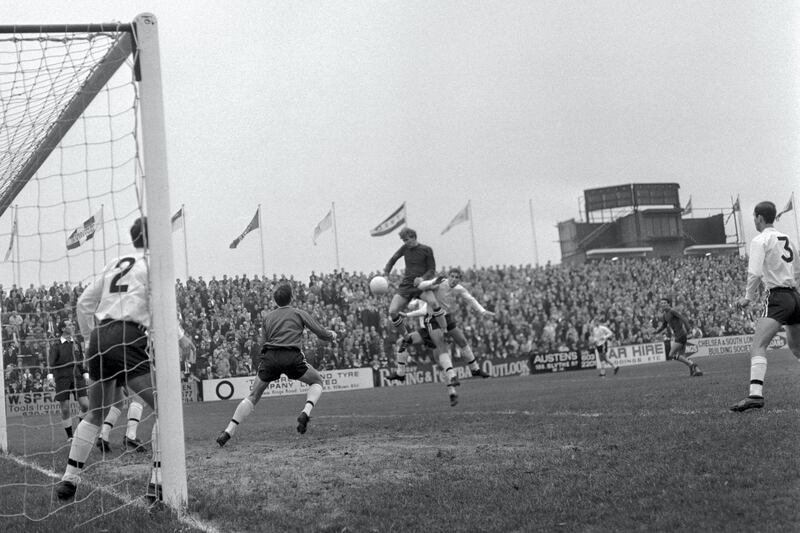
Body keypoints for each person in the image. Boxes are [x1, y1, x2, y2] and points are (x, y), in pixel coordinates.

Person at [56, 217, 163, 503]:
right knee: (165, 409)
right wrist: (177, 337)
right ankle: (157, 483)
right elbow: (160, 303)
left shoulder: (116, 262)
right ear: (155, 236)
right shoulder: (152, 264)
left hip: (100, 338)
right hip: (128, 336)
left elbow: (83, 304)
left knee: (96, 412)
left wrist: (91, 339)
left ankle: (69, 478)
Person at [216, 282, 336, 447]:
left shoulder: (267, 317)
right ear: (291, 297)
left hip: (271, 357)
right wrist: (332, 335)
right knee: (317, 381)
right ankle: (305, 413)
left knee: (253, 396)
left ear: (275, 300)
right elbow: (320, 332)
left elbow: (263, 342)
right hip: (291, 356)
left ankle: (229, 431)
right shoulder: (298, 313)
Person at [731, 201, 800, 412]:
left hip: (778, 296)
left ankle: (755, 395)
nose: (754, 221)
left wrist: (747, 297)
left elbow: (755, 273)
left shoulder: (760, 239)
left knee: (758, 346)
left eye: (754, 217)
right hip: (795, 296)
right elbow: (797, 269)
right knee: (797, 349)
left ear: (760, 217)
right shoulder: (787, 237)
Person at [389, 268, 493, 383]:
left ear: (459, 279)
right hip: (432, 320)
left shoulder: (458, 289)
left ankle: (475, 369)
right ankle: (452, 376)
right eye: (452, 276)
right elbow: (424, 293)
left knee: (462, 340)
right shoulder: (437, 284)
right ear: (448, 276)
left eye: (456, 277)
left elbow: (470, 299)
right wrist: (422, 283)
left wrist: (483, 311)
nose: (453, 279)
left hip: (446, 318)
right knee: (440, 345)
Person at [383, 228, 448, 334]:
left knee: (433, 303)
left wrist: (422, 278)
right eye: (404, 240)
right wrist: (386, 274)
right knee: (392, 311)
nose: (405, 242)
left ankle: (445, 330)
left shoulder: (426, 249)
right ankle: (405, 335)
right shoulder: (404, 248)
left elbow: (432, 269)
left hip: (421, 285)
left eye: (407, 239)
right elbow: (392, 259)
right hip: (407, 285)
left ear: (413, 237)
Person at [47, 319, 89, 441]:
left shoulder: (76, 344)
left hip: (77, 377)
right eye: (70, 324)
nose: (73, 326)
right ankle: (70, 436)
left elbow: (80, 362)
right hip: (62, 378)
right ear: (63, 329)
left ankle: (79, 431)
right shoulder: (56, 346)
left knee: (86, 405)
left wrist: (85, 374)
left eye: (72, 324)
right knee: (65, 409)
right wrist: (50, 378)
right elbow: (51, 363)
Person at [652, 297, 703, 377]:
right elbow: (664, 326)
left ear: (668, 304)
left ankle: (692, 365)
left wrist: (689, 330)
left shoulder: (672, 311)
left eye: (665, 303)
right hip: (678, 335)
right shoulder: (665, 315)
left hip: (681, 335)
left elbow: (683, 319)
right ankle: (696, 371)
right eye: (662, 303)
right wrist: (657, 331)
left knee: (671, 354)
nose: (663, 304)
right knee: (682, 356)